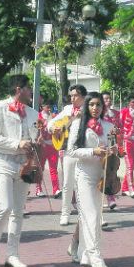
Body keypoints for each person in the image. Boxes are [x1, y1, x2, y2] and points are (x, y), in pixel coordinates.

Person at [0, 74, 39, 267]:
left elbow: (35, 135)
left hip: (25, 165)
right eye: (28, 87)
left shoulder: (33, 113)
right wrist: (17, 143)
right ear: (18, 89)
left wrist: (36, 142)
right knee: (4, 207)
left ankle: (12, 254)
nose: (31, 91)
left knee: (18, 211)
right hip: (3, 163)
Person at [66, 91, 114, 267]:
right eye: (92, 104)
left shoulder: (109, 126)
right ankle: (95, 256)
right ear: (87, 106)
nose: (95, 108)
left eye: (99, 105)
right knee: (93, 215)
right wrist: (93, 151)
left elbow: (111, 149)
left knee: (88, 215)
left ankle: (81, 251)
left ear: (103, 107)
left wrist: (114, 149)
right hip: (84, 174)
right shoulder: (79, 125)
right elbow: (71, 151)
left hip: (102, 175)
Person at [48, 84, 87, 226]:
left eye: (75, 95)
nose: (72, 98)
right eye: (71, 95)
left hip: (85, 151)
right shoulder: (67, 109)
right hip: (69, 151)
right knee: (67, 183)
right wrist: (54, 128)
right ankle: (65, 213)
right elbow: (50, 123)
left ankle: (88, 213)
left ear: (83, 96)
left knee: (85, 184)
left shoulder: (90, 109)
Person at [119, 96, 134, 198]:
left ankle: (124, 189)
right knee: (129, 166)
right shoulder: (124, 111)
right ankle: (131, 189)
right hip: (127, 141)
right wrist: (119, 142)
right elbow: (119, 125)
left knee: (132, 167)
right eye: (133, 101)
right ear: (129, 103)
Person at [100, 91, 121, 209]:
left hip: (112, 142)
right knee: (100, 171)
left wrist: (117, 131)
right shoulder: (98, 113)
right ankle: (100, 196)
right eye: (106, 99)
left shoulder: (115, 113)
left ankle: (110, 197)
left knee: (112, 171)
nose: (108, 101)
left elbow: (120, 127)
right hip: (102, 143)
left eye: (109, 99)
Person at [35, 103, 60, 198]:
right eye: (47, 106)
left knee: (53, 169)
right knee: (40, 168)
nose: (49, 108)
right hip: (42, 146)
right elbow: (35, 130)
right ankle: (38, 189)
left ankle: (56, 189)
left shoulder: (55, 116)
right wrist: (38, 137)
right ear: (42, 107)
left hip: (53, 146)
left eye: (50, 106)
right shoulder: (38, 116)